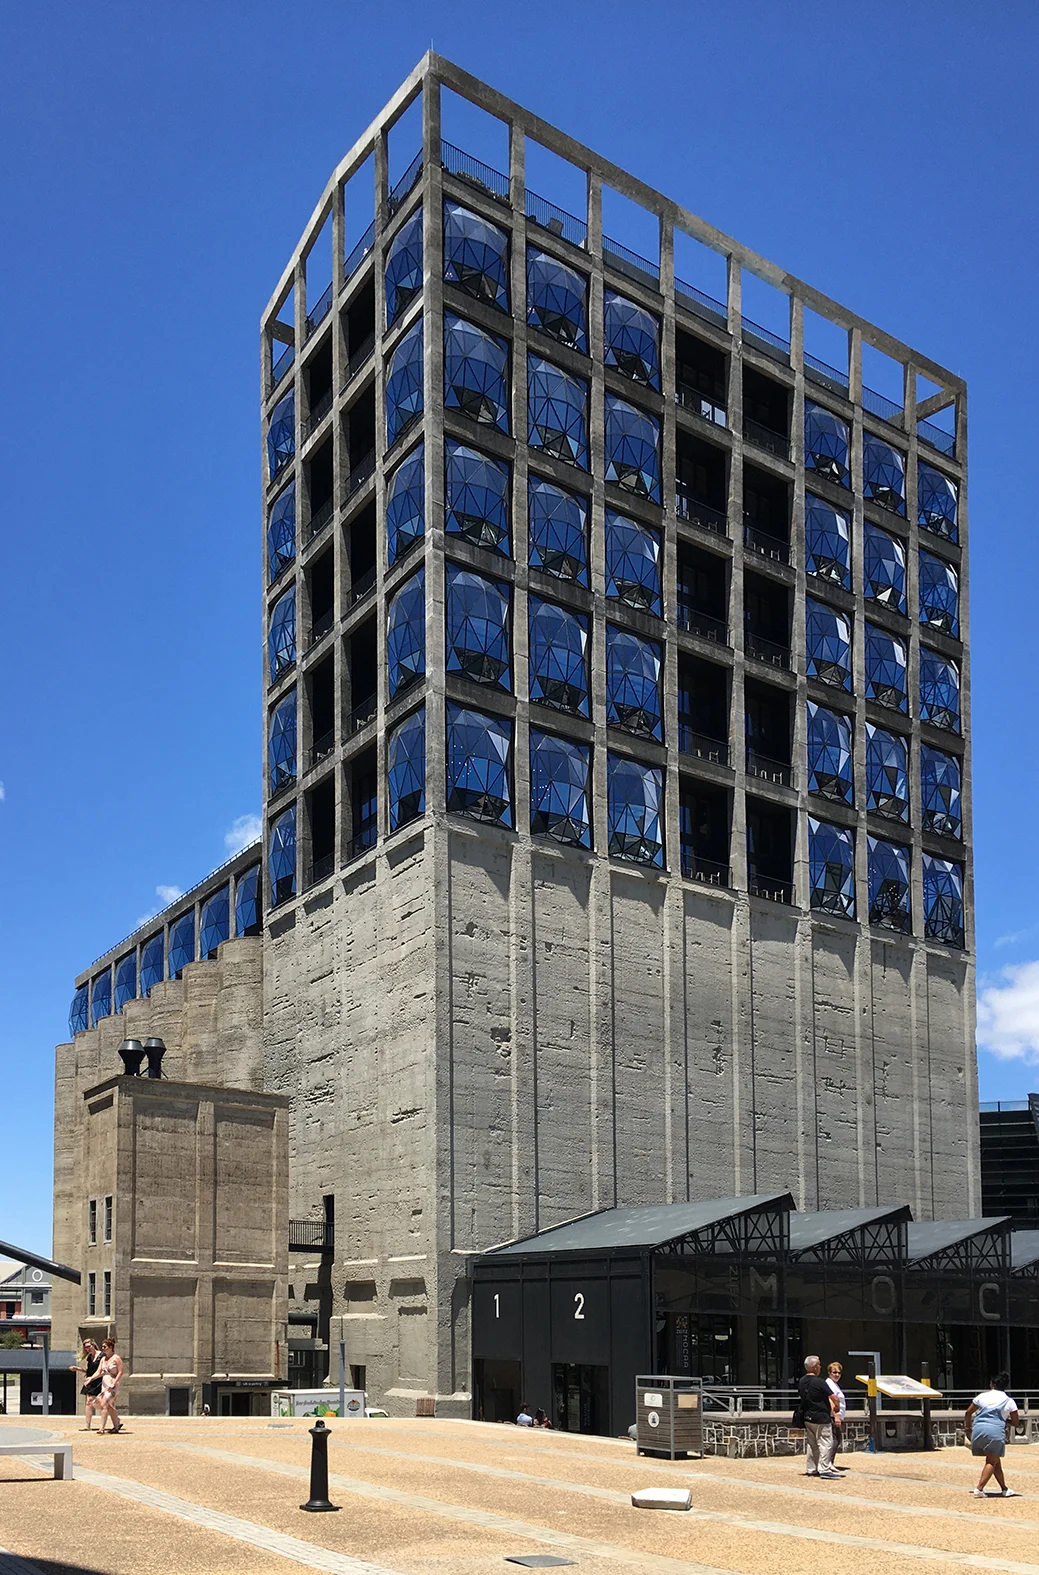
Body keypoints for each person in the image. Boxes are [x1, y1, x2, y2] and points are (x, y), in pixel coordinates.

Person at [965, 1372, 1020, 1497]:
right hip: (994, 1432)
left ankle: (1004, 1488)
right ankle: (979, 1488)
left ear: (992, 1384)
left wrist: (968, 1428)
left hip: (978, 1429)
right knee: (991, 1461)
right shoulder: (1009, 1401)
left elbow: (968, 1413)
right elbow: (1016, 1422)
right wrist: (1005, 1420)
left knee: (995, 1459)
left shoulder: (982, 1397)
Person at [798, 1354, 841, 1479]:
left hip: (807, 1416)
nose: (820, 1367)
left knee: (812, 1444)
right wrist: (836, 1407)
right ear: (815, 1367)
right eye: (819, 1364)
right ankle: (825, 1469)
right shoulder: (819, 1382)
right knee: (826, 1443)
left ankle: (811, 1468)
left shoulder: (802, 1381)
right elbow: (833, 1397)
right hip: (821, 1417)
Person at [69, 1339, 103, 1431]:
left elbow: (102, 1371)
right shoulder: (89, 1357)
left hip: (99, 1380)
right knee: (88, 1402)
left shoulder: (101, 1356)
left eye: (88, 1346)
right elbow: (88, 1371)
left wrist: (93, 1378)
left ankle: (115, 1421)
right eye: (86, 1347)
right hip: (90, 1381)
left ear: (93, 1345)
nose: (87, 1349)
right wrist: (78, 1369)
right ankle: (87, 1425)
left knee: (104, 1403)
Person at [97, 1337, 124, 1435]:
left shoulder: (116, 1358)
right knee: (110, 1406)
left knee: (104, 1404)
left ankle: (102, 1427)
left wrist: (114, 1383)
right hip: (105, 1383)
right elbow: (99, 1372)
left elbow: (120, 1372)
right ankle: (116, 1425)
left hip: (113, 1384)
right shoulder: (103, 1359)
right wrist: (91, 1378)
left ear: (110, 1347)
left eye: (104, 1346)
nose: (103, 1348)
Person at [826, 1361, 848, 1467]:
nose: (837, 1375)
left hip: (837, 1416)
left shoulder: (835, 1384)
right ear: (829, 1373)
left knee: (837, 1439)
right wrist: (836, 1416)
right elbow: (831, 1400)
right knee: (835, 1440)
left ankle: (829, 1462)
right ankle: (828, 1463)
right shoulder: (830, 1384)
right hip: (833, 1416)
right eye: (834, 1372)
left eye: (839, 1373)